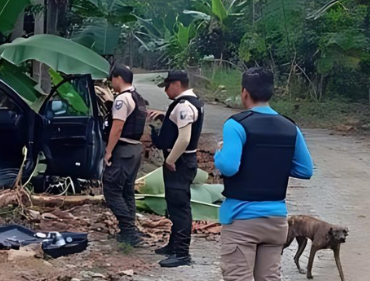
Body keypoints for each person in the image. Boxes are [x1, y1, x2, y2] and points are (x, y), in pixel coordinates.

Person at [214, 67, 314, 281]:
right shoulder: (290, 127)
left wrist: (218, 154)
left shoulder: (236, 124)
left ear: (244, 93)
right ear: (271, 92)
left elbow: (229, 167)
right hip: (276, 222)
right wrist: (272, 162)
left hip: (241, 219)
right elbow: (306, 170)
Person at [150, 70, 204, 268]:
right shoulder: (193, 102)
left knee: (180, 208)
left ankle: (182, 253)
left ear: (177, 84)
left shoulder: (184, 106)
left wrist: (171, 159)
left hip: (180, 162)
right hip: (184, 161)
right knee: (174, 205)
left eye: (167, 86)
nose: (165, 91)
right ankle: (174, 245)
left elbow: (184, 138)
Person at [104, 64, 148, 246]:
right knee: (127, 191)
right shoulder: (138, 99)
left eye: (112, 79)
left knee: (112, 191)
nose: (111, 83)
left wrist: (108, 151)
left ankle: (129, 231)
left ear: (118, 78)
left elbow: (117, 127)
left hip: (123, 150)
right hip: (135, 150)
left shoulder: (122, 99)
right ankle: (129, 231)